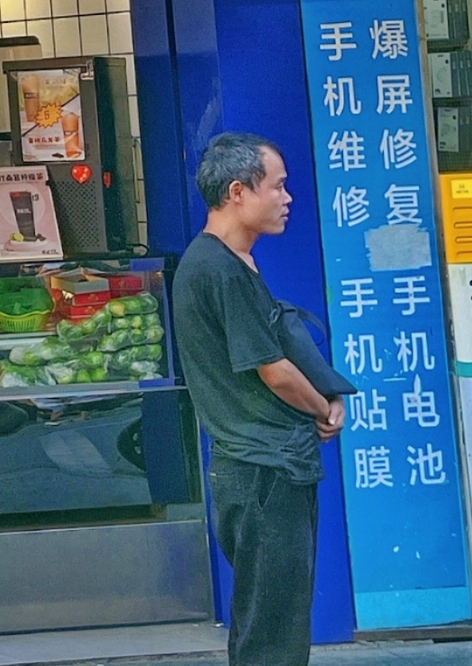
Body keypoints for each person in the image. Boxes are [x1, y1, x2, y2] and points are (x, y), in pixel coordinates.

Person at [172, 133, 343, 666]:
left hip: (261, 466)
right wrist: (324, 409)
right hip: (263, 470)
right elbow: (274, 371)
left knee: (272, 619)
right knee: (271, 631)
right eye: (278, 186)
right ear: (238, 191)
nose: (287, 198)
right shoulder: (219, 268)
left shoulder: (226, 261)